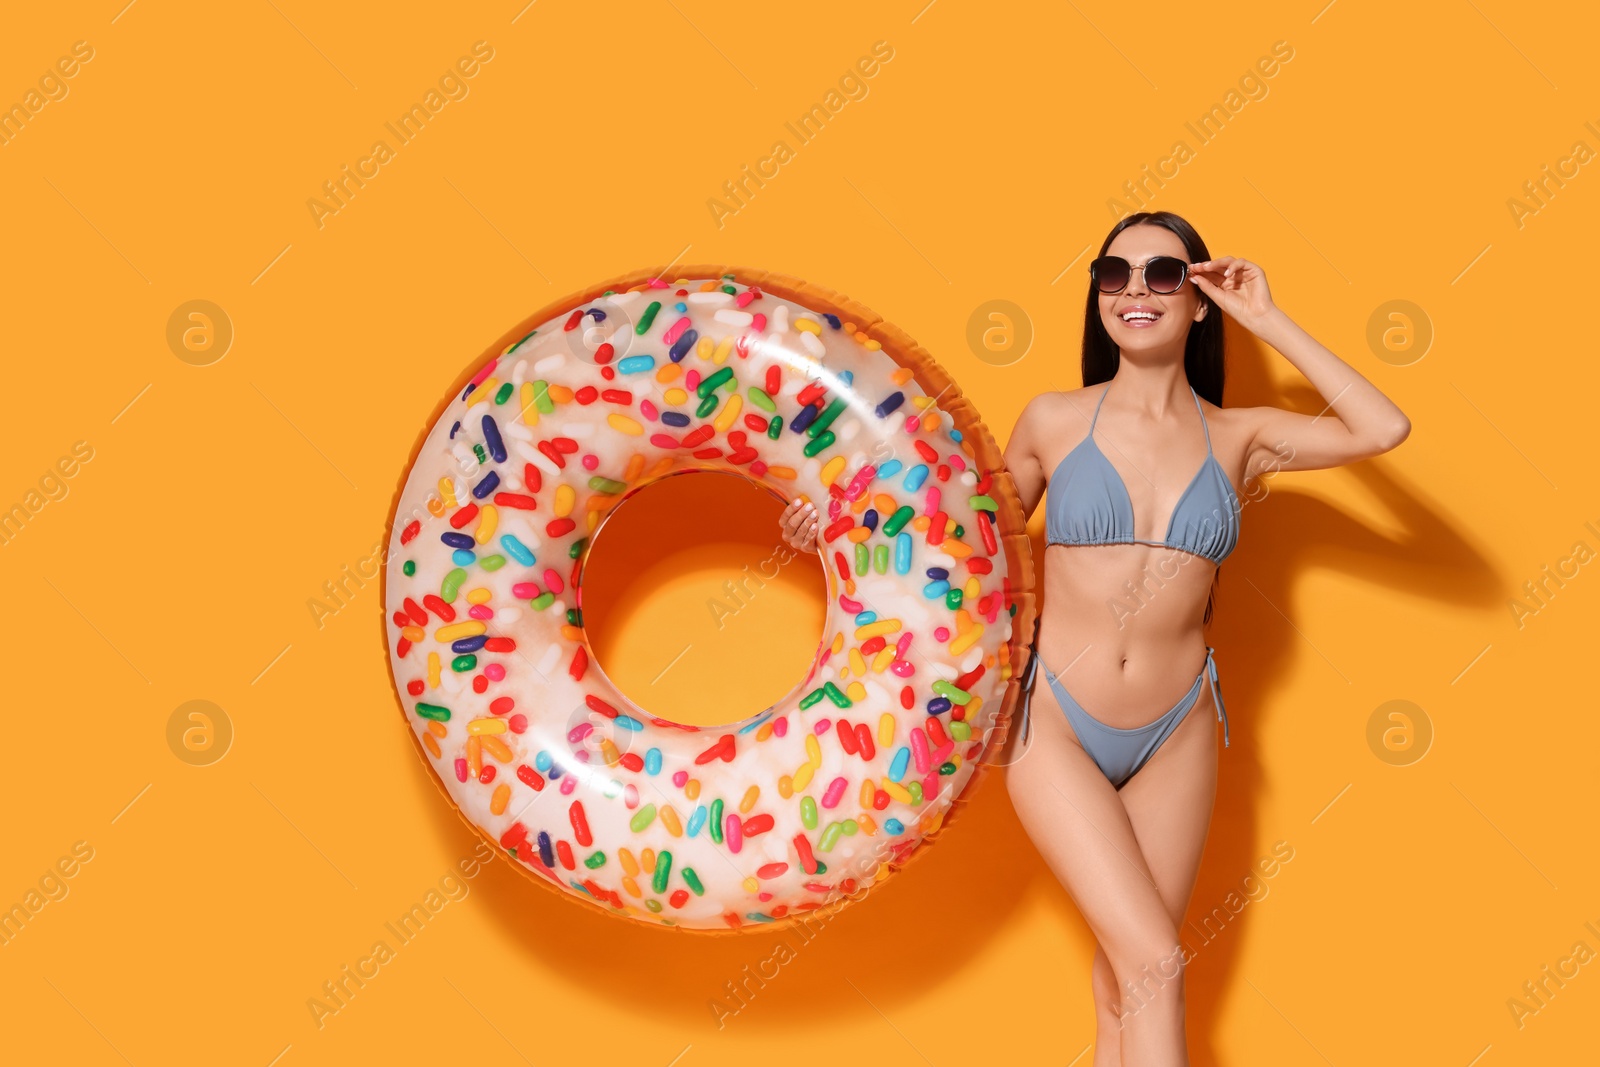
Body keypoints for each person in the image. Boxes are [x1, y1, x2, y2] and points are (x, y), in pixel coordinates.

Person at [778, 210, 1410, 1064]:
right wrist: (839, 530)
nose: (1136, 292)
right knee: (1155, 962)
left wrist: (1266, 316)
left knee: (1124, 980)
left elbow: (1382, 427)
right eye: (1115, 276)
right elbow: (957, 547)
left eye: (1163, 275)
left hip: (1179, 728)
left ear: (1199, 301)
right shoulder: (1054, 420)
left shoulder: (1242, 436)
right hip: (1058, 722)